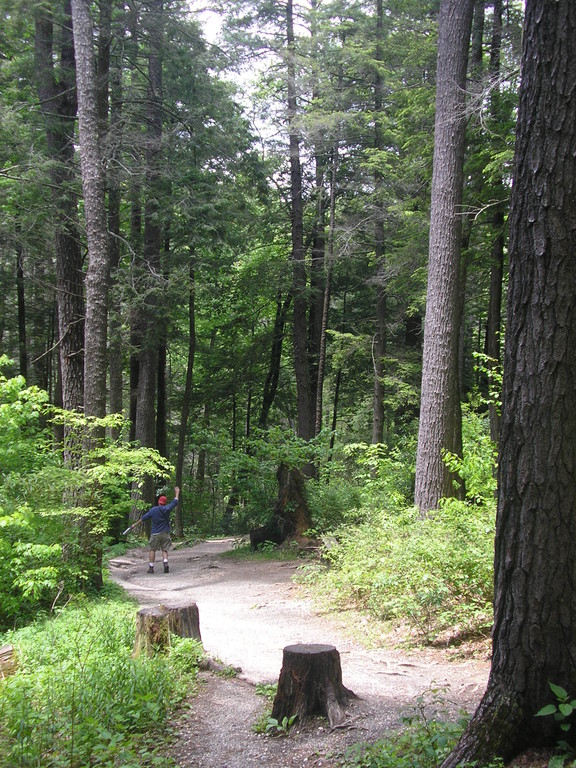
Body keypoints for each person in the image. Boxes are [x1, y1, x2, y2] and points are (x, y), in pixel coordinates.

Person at [128, 487, 180, 574]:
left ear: (159, 502)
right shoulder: (167, 509)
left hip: (155, 533)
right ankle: (165, 563)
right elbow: (175, 502)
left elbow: (143, 518)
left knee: (152, 550)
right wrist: (177, 493)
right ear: (164, 503)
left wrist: (134, 525)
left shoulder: (153, 510)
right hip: (165, 533)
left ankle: (151, 567)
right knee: (164, 549)